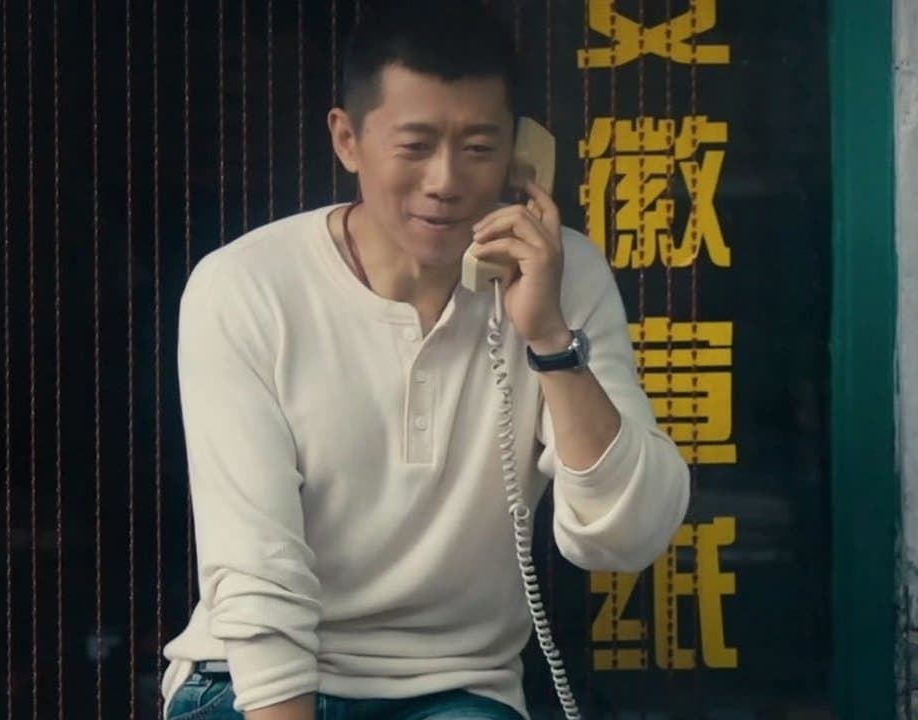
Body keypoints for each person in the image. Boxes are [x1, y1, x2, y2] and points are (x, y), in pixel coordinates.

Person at [159, 2, 691, 719]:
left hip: (452, 689)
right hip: (252, 682)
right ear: (347, 140)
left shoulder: (564, 277)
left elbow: (628, 538)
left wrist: (549, 339)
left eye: (478, 147)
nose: (445, 181)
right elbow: (256, 570)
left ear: (520, 154)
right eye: (415, 146)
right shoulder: (244, 287)